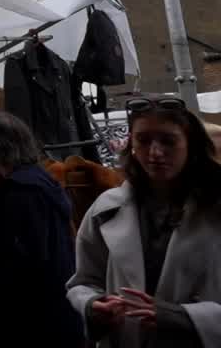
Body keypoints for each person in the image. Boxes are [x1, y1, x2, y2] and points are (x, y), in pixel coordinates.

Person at [67, 94, 221, 347]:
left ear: (190, 144)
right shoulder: (106, 209)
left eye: (168, 141)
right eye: (144, 140)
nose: (155, 152)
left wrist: (184, 318)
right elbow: (83, 282)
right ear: (131, 144)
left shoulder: (215, 209)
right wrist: (94, 306)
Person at [0, 112, 84, 348]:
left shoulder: (21, 191)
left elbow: (28, 258)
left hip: (35, 314)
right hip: (51, 307)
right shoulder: (35, 182)